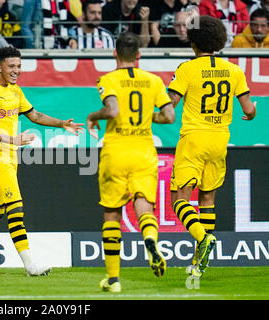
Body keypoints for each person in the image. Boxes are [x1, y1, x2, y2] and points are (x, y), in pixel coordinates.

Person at [0, 46, 84, 277]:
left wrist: (62, 124)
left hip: (9, 157)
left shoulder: (15, 90)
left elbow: (34, 115)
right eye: (12, 66)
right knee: (15, 208)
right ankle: (30, 265)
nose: (16, 71)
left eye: (19, 67)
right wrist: (12, 139)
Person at [167, 15, 256, 277]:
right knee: (207, 199)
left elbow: (170, 104)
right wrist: (251, 114)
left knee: (179, 199)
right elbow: (249, 110)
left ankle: (202, 239)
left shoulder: (187, 69)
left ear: (193, 41)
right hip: (220, 140)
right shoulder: (234, 70)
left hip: (194, 138)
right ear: (218, 39)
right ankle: (197, 265)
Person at [86, 32, 175, 293]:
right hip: (144, 150)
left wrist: (93, 116)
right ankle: (149, 238)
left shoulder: (108, 79)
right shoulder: (154, 80)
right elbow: (169, 116)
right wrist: (149, 117)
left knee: (112, 213)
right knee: (144, 205)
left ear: (115, 54)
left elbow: (112, 110)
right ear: (138, 55)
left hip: (116, 150)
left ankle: (113, 279)